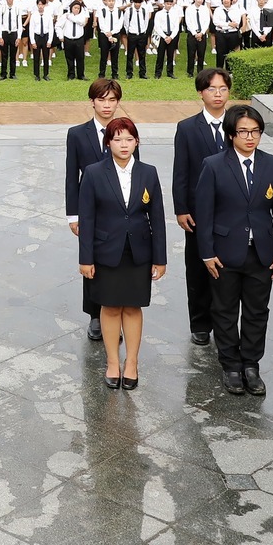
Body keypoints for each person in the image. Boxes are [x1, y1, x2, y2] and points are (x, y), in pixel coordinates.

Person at [194, 104, 273, 395]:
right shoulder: (214, 165)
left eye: (256, 131)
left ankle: (251, 364)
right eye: (244, 132)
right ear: (231, 134)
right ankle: (231, 365)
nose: (250, 137)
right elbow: (204, 213)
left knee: (257, 310)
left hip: (261, 251)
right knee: (223, 310)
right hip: (224, 252)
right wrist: (207, 253)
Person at [76, 115, 168, 390]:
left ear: (137, 142)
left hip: (138, 252)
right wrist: (85, 258)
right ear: (108, 143)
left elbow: (158, 217)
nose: (124, 144)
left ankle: (132, 363)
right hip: (107, 251)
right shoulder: (93, 173)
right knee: (111, 306)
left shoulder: (148, 172)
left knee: (133, 306)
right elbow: (87, 218)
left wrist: (160, 258)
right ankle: (113, 362)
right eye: (118, 139)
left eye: (129, 139)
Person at [170, 66, 233, 348]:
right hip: (197, 211)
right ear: (200, 93)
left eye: (222, 89)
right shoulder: (187, 128)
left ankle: (224, 321)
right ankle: (199, 323)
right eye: (211, 89)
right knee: (197, 267)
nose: (217, 94)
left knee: (228, 268)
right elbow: (180, 172)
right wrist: (181, 208)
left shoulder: (238, 124)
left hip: (232, 210)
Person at [65, 78, 122, 343]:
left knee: (118, 260)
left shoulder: (125, 132)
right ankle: (95, 315)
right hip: (89, 209)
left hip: (119, 209)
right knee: (91, 261)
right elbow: (70, 175)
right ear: (92, 101)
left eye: (112, 100)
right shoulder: (77, 134)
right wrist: (73, 215)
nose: (107, 105)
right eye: (102, 100)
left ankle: (115, 312)